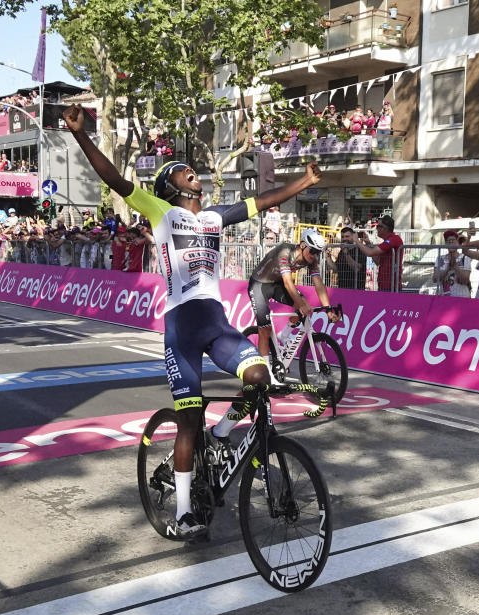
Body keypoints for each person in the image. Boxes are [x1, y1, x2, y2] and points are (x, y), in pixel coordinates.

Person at [64, 104, 323, 538]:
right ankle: (184, 512)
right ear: (170, 184)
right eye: (184, 171)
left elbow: (262, 202)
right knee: (187, 421)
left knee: (260, 375)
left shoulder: (213, 217)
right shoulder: (161, 211)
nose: (194, 174)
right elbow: (113, 178)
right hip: (181, 328)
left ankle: (222, 430)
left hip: (216, 322)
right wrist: (80, 135)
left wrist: (304, 182)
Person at [247, 229, 339, 381]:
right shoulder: (285, 251)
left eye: (318, 253)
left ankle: (284, 334)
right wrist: (299, 303)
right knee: (265, 329)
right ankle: (267, 375)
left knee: (305, 306)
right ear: (302, 245)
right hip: (259, 284)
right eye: (313, 251)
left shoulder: (311, 260)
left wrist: (328, 309)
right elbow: (288, 283)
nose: (315, 255)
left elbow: (319, 284)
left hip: (276, 284)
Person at [354, 214, 402, 291]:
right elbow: (378, 261)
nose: (376, 229)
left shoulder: (393, 239)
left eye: (378, 226)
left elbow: (370, 253)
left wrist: (357, 241)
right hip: (383, 284)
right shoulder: (388, 241)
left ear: (385, 228)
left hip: (391, 286)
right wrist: (368, 244)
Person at [432, 230, 472, 297]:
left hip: (462, 298)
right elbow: (435, 279)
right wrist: (447, 268)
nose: (450, 242)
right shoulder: (440, 258)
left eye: (453, 240)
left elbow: (465, 280)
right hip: (444, 298)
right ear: (445, 244)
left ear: (458, 243)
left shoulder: (465, 258)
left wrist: (456, 266)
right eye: (448, 241)